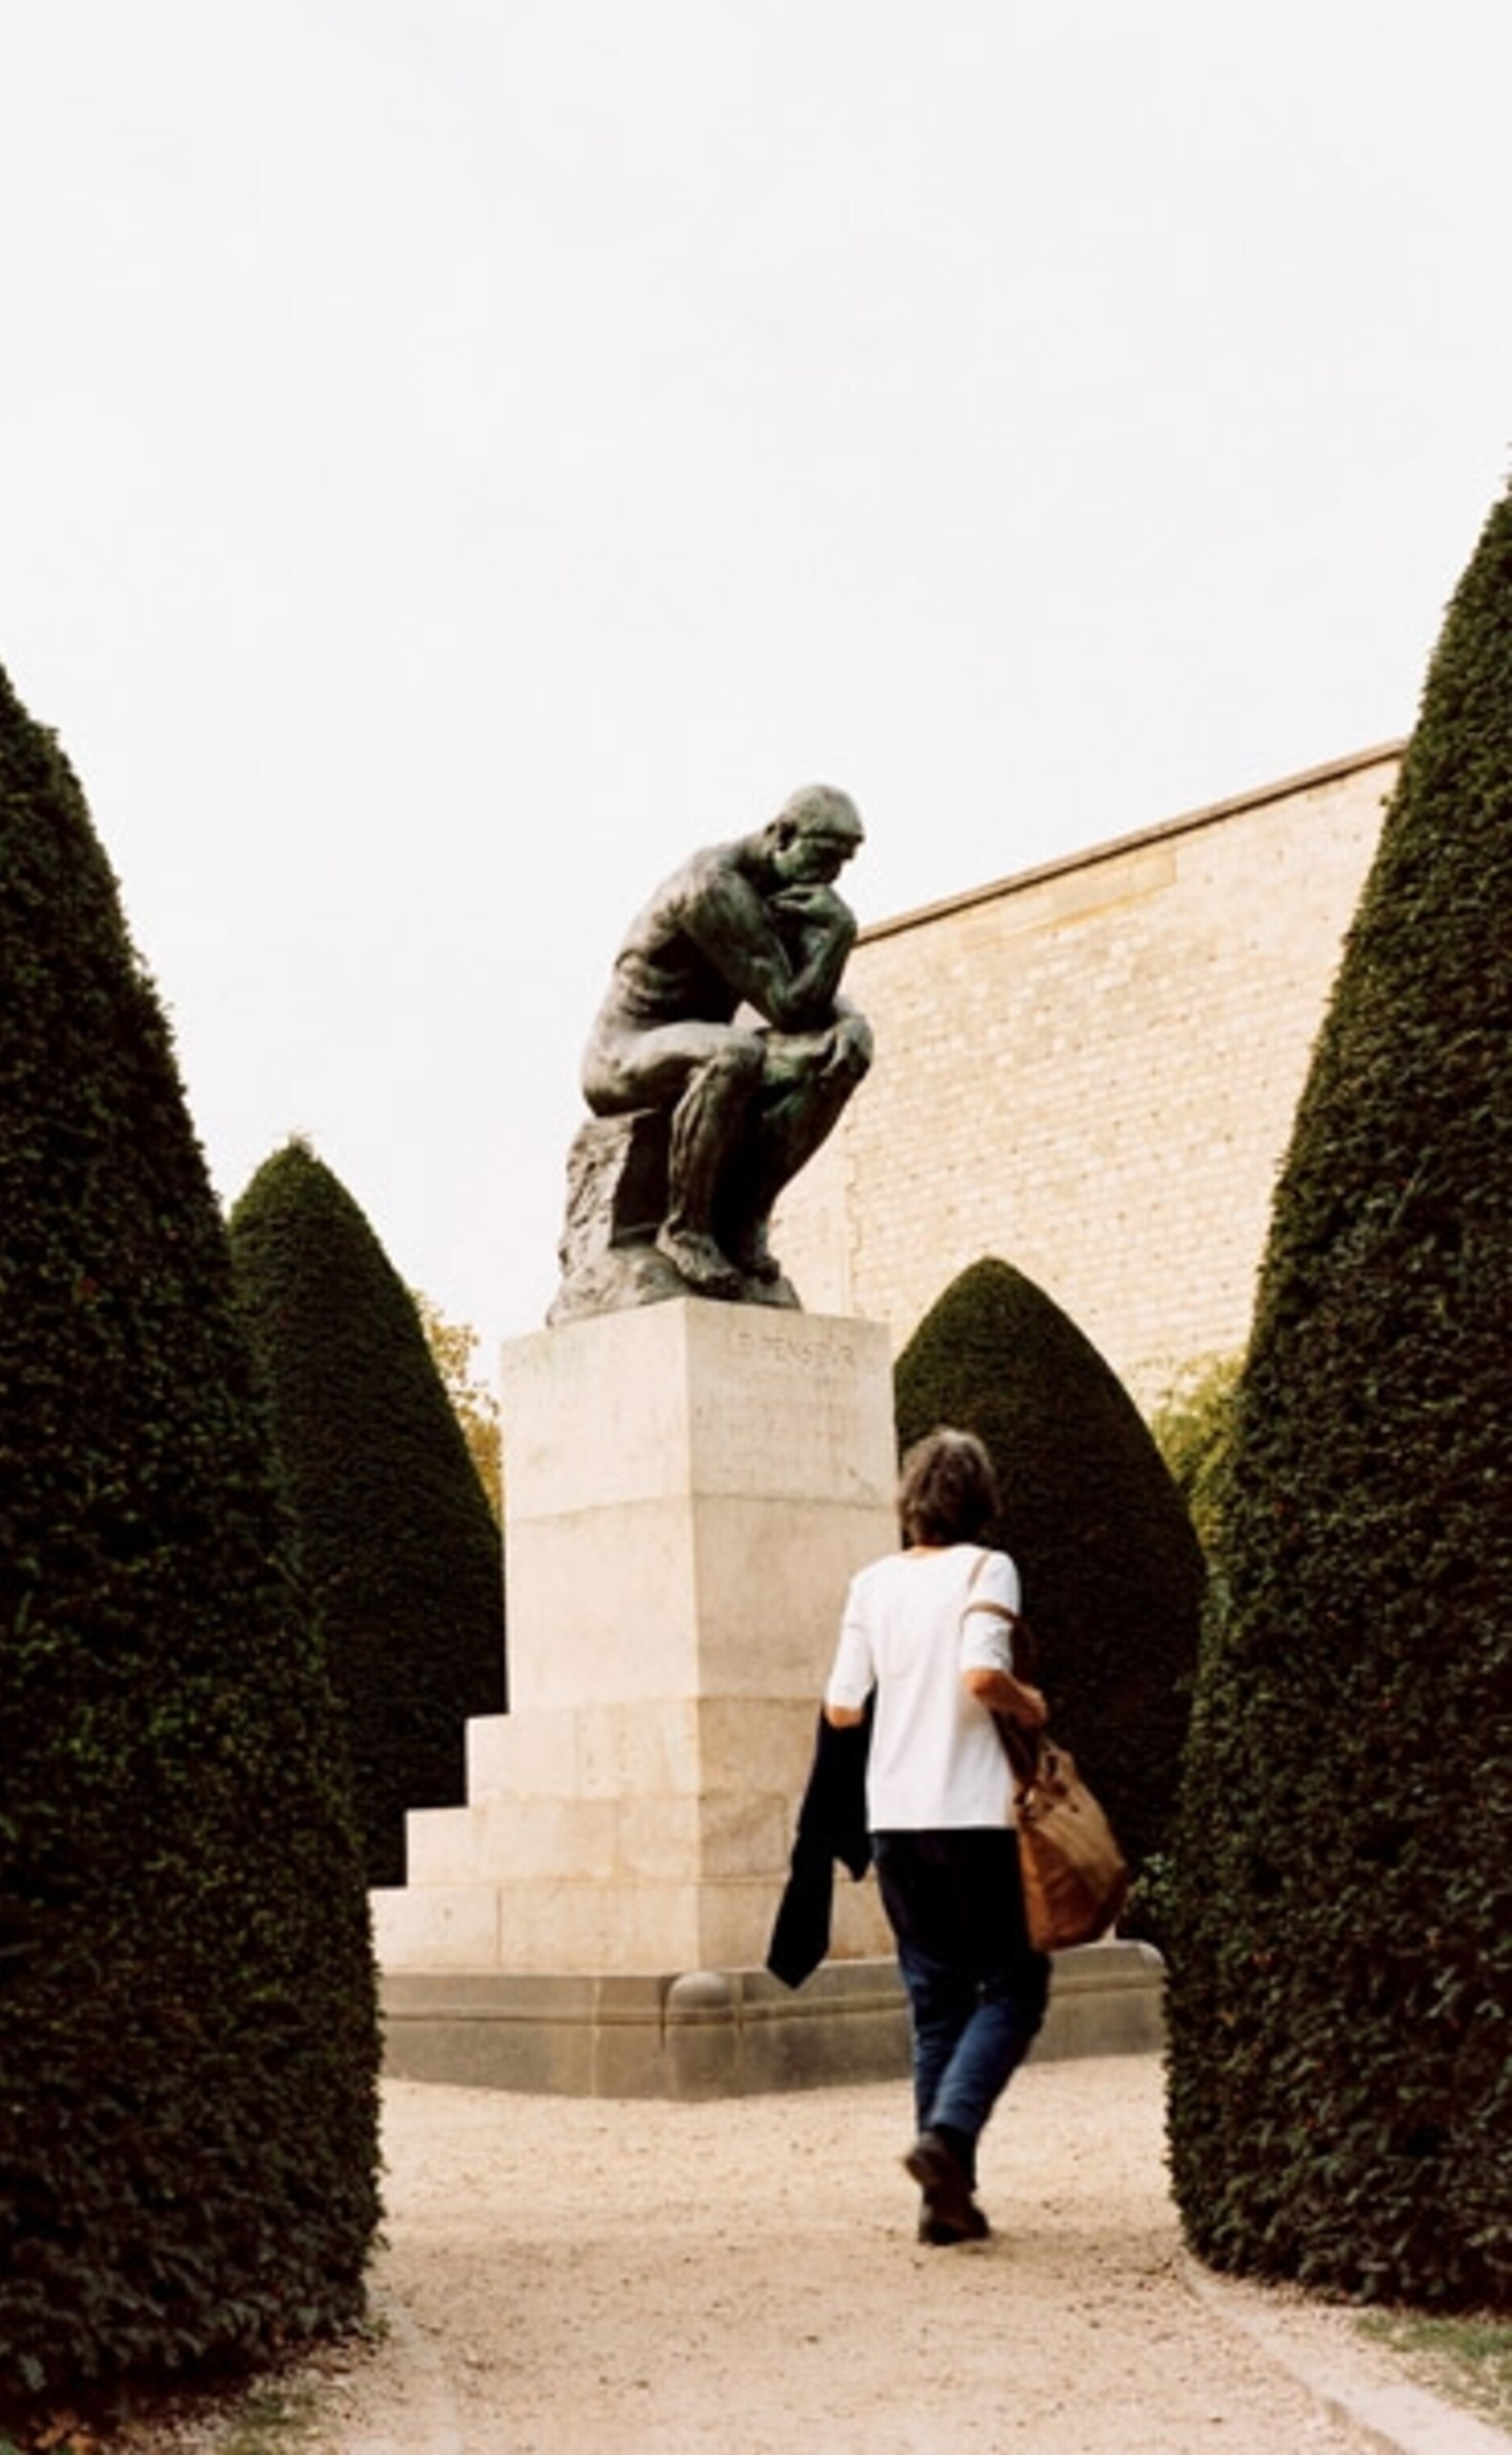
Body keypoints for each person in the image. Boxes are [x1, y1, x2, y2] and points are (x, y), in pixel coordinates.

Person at [822, 1426, 1050, 2245]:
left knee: (936, 2004)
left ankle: (944, 2205)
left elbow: (844, 1705)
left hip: (897, 1819)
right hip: (976, 1814)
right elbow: (983, 1673)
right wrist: (1032, 1705)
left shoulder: (871, 1583)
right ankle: (949, 2137)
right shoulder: (990, 1569)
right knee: (1016, 1989)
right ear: (981, 1500)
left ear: (911, 1502)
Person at [579, 784, 873, 1300]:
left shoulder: (791, 891)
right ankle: (685, 1232)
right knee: (734, 1052)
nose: (832, 876)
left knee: (839, 1055)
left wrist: (852, 1022)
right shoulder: (712, 887)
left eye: (843, 863)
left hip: (699, 1046)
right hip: (625, 1055)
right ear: (783, 835)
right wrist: (840, 936)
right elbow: (788, 1006)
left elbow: (816, 1003)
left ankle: (744, 1221)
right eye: (825, 857)